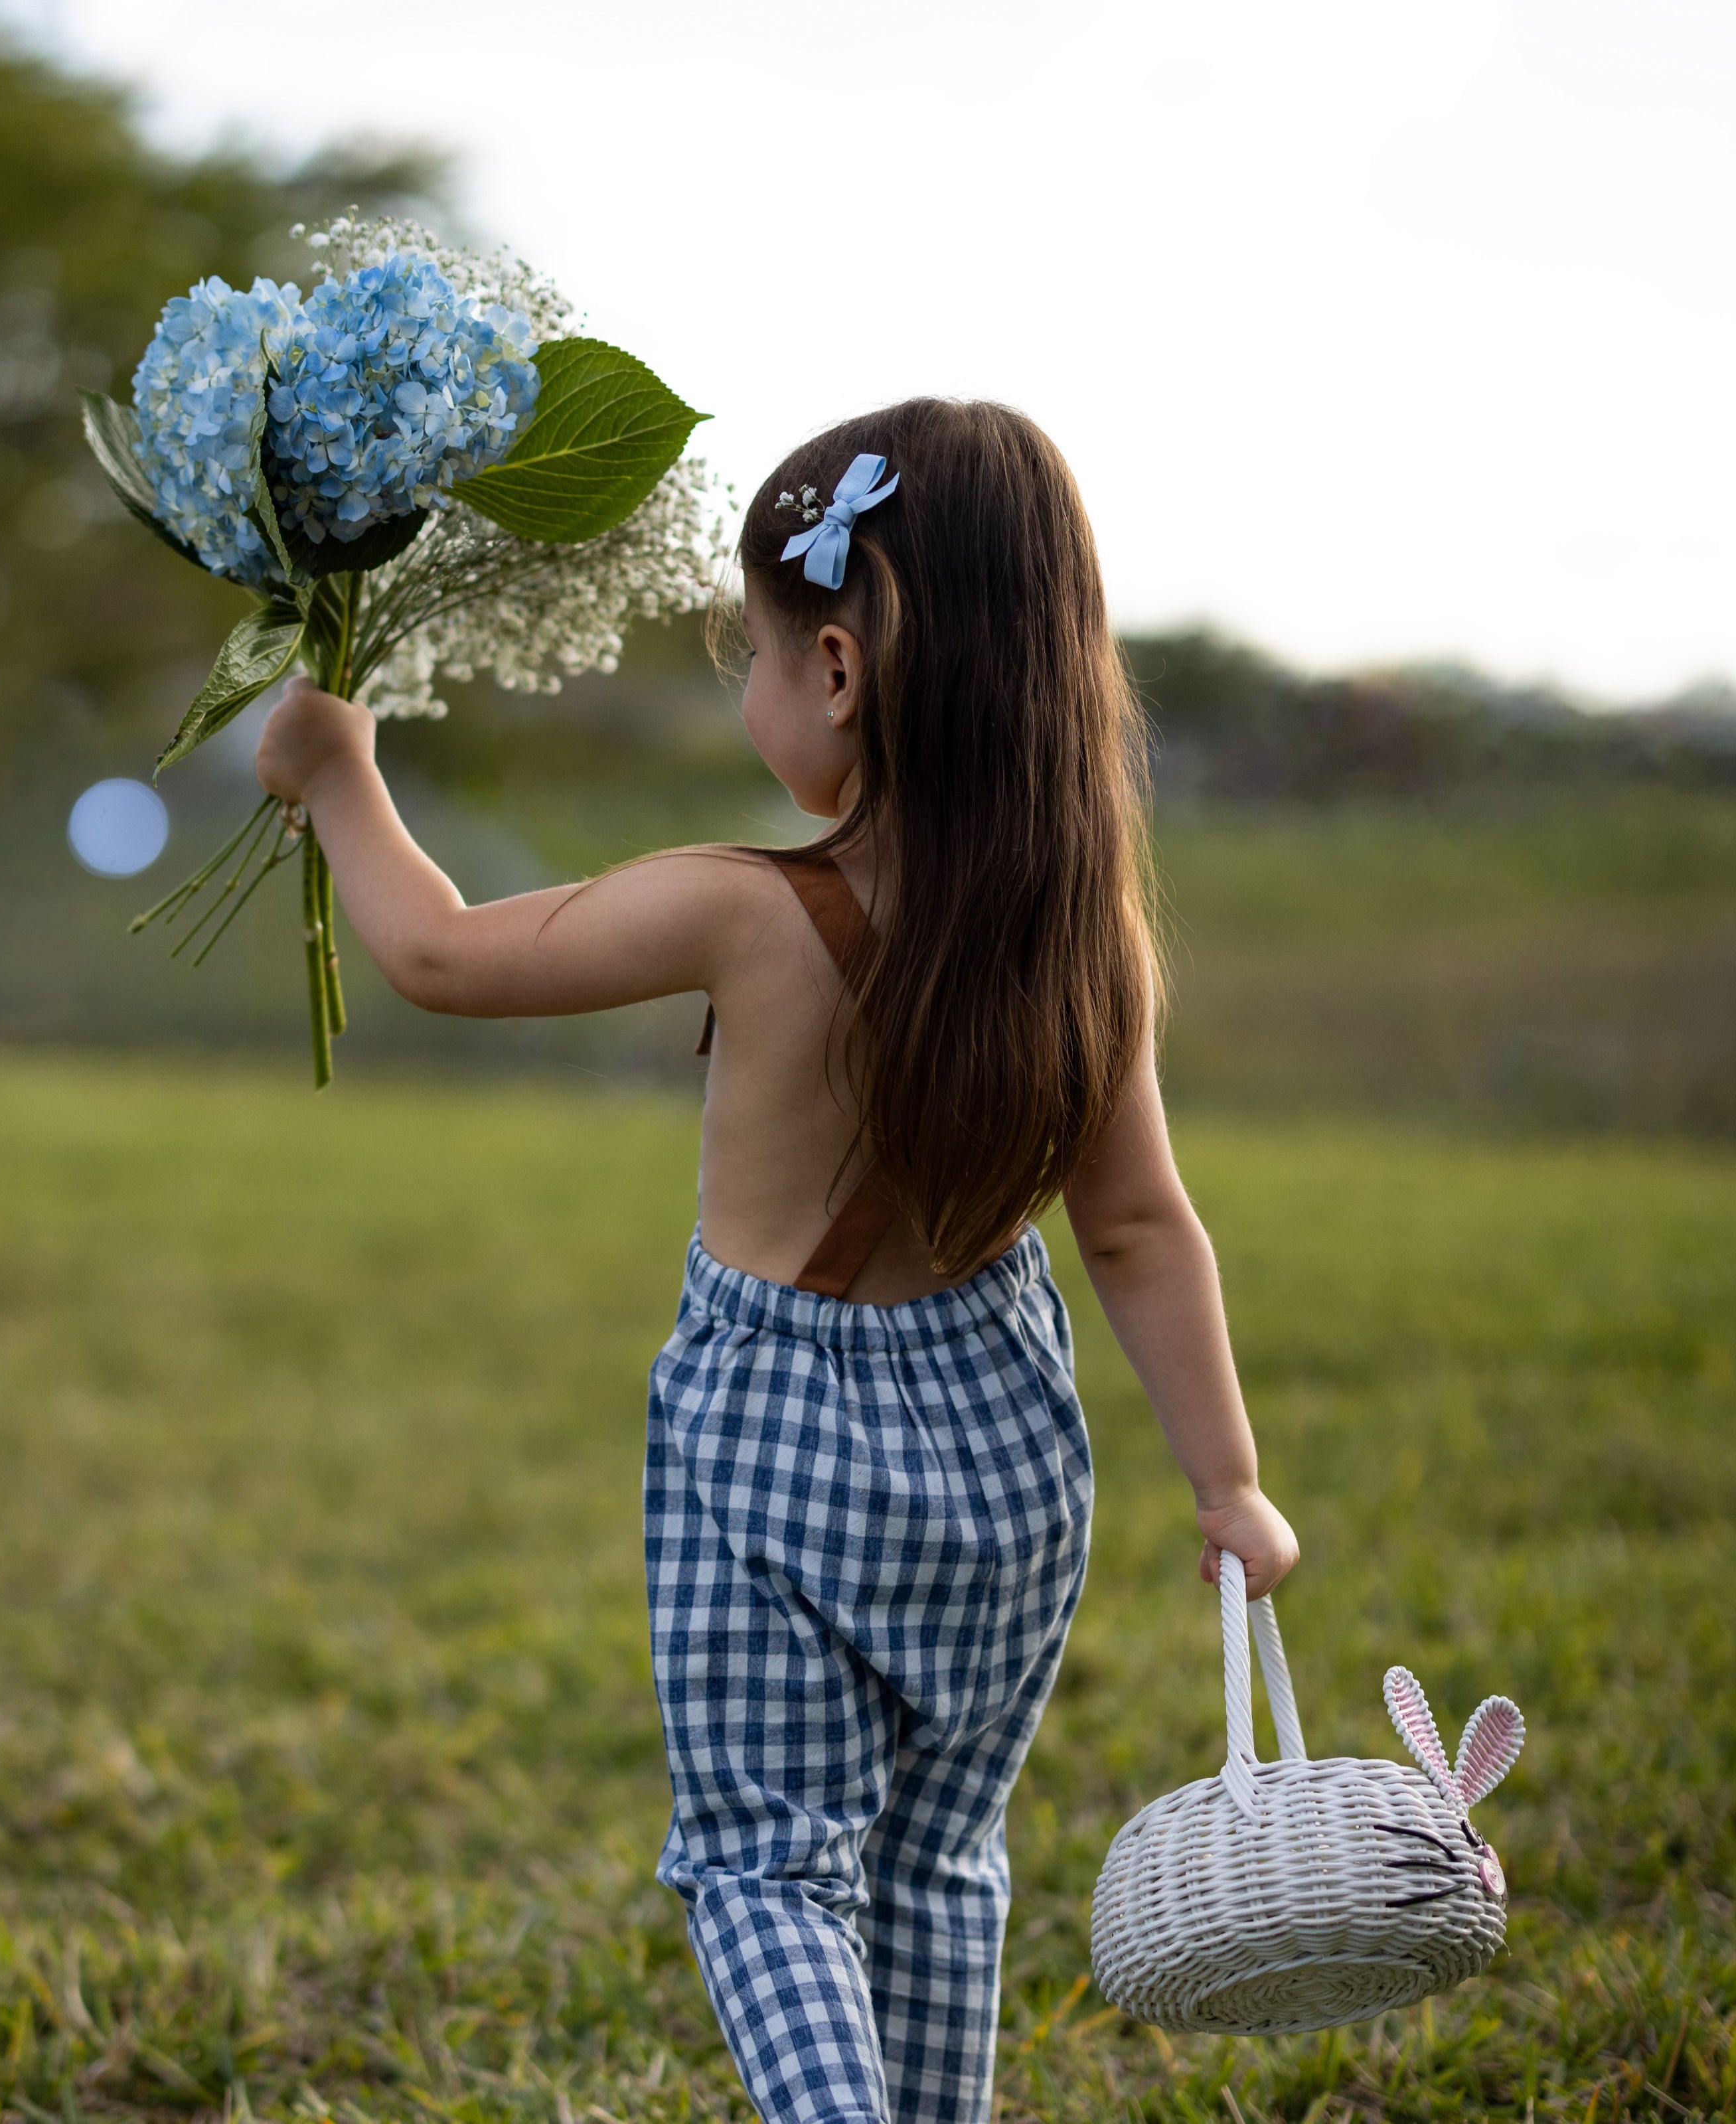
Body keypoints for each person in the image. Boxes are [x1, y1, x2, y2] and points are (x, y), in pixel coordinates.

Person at [255, 396, 1299, 2124]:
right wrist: (1231, 1484)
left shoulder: (743, 911)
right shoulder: (1090, 939)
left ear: (834, 666)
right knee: (936, 1860)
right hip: (1006, 1464)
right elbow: (1136, 1226)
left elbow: (439, 956)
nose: (746, 687)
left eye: (748, 649)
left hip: (779, 1440)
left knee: (767, 1866)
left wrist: (340, 777)